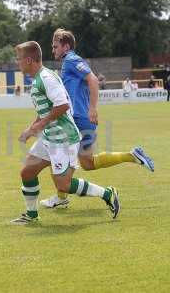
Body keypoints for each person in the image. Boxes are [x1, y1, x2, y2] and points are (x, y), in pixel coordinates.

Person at [40, 28, 154, 208]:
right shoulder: (68, 61)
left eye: (55, 46)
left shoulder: (72, 60)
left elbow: (93, 80)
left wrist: (93, 108)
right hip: (77, 119)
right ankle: (132, 156)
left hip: (79, 119)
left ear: (66, 46)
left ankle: (62, 198)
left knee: (58, 155)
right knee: (87, 162)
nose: (53, 50)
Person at [10, 41, 120, 225]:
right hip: (49, 137)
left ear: (29, 60)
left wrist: (40, 125)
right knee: (27, 172)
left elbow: (62, 105)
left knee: (64, 185)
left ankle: (108, 194)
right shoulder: (38, 79)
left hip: (63, 139)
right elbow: (45, 110)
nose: (17, 63)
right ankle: (31, 215)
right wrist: (31, 129)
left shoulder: (46, 78)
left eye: (19, 59)